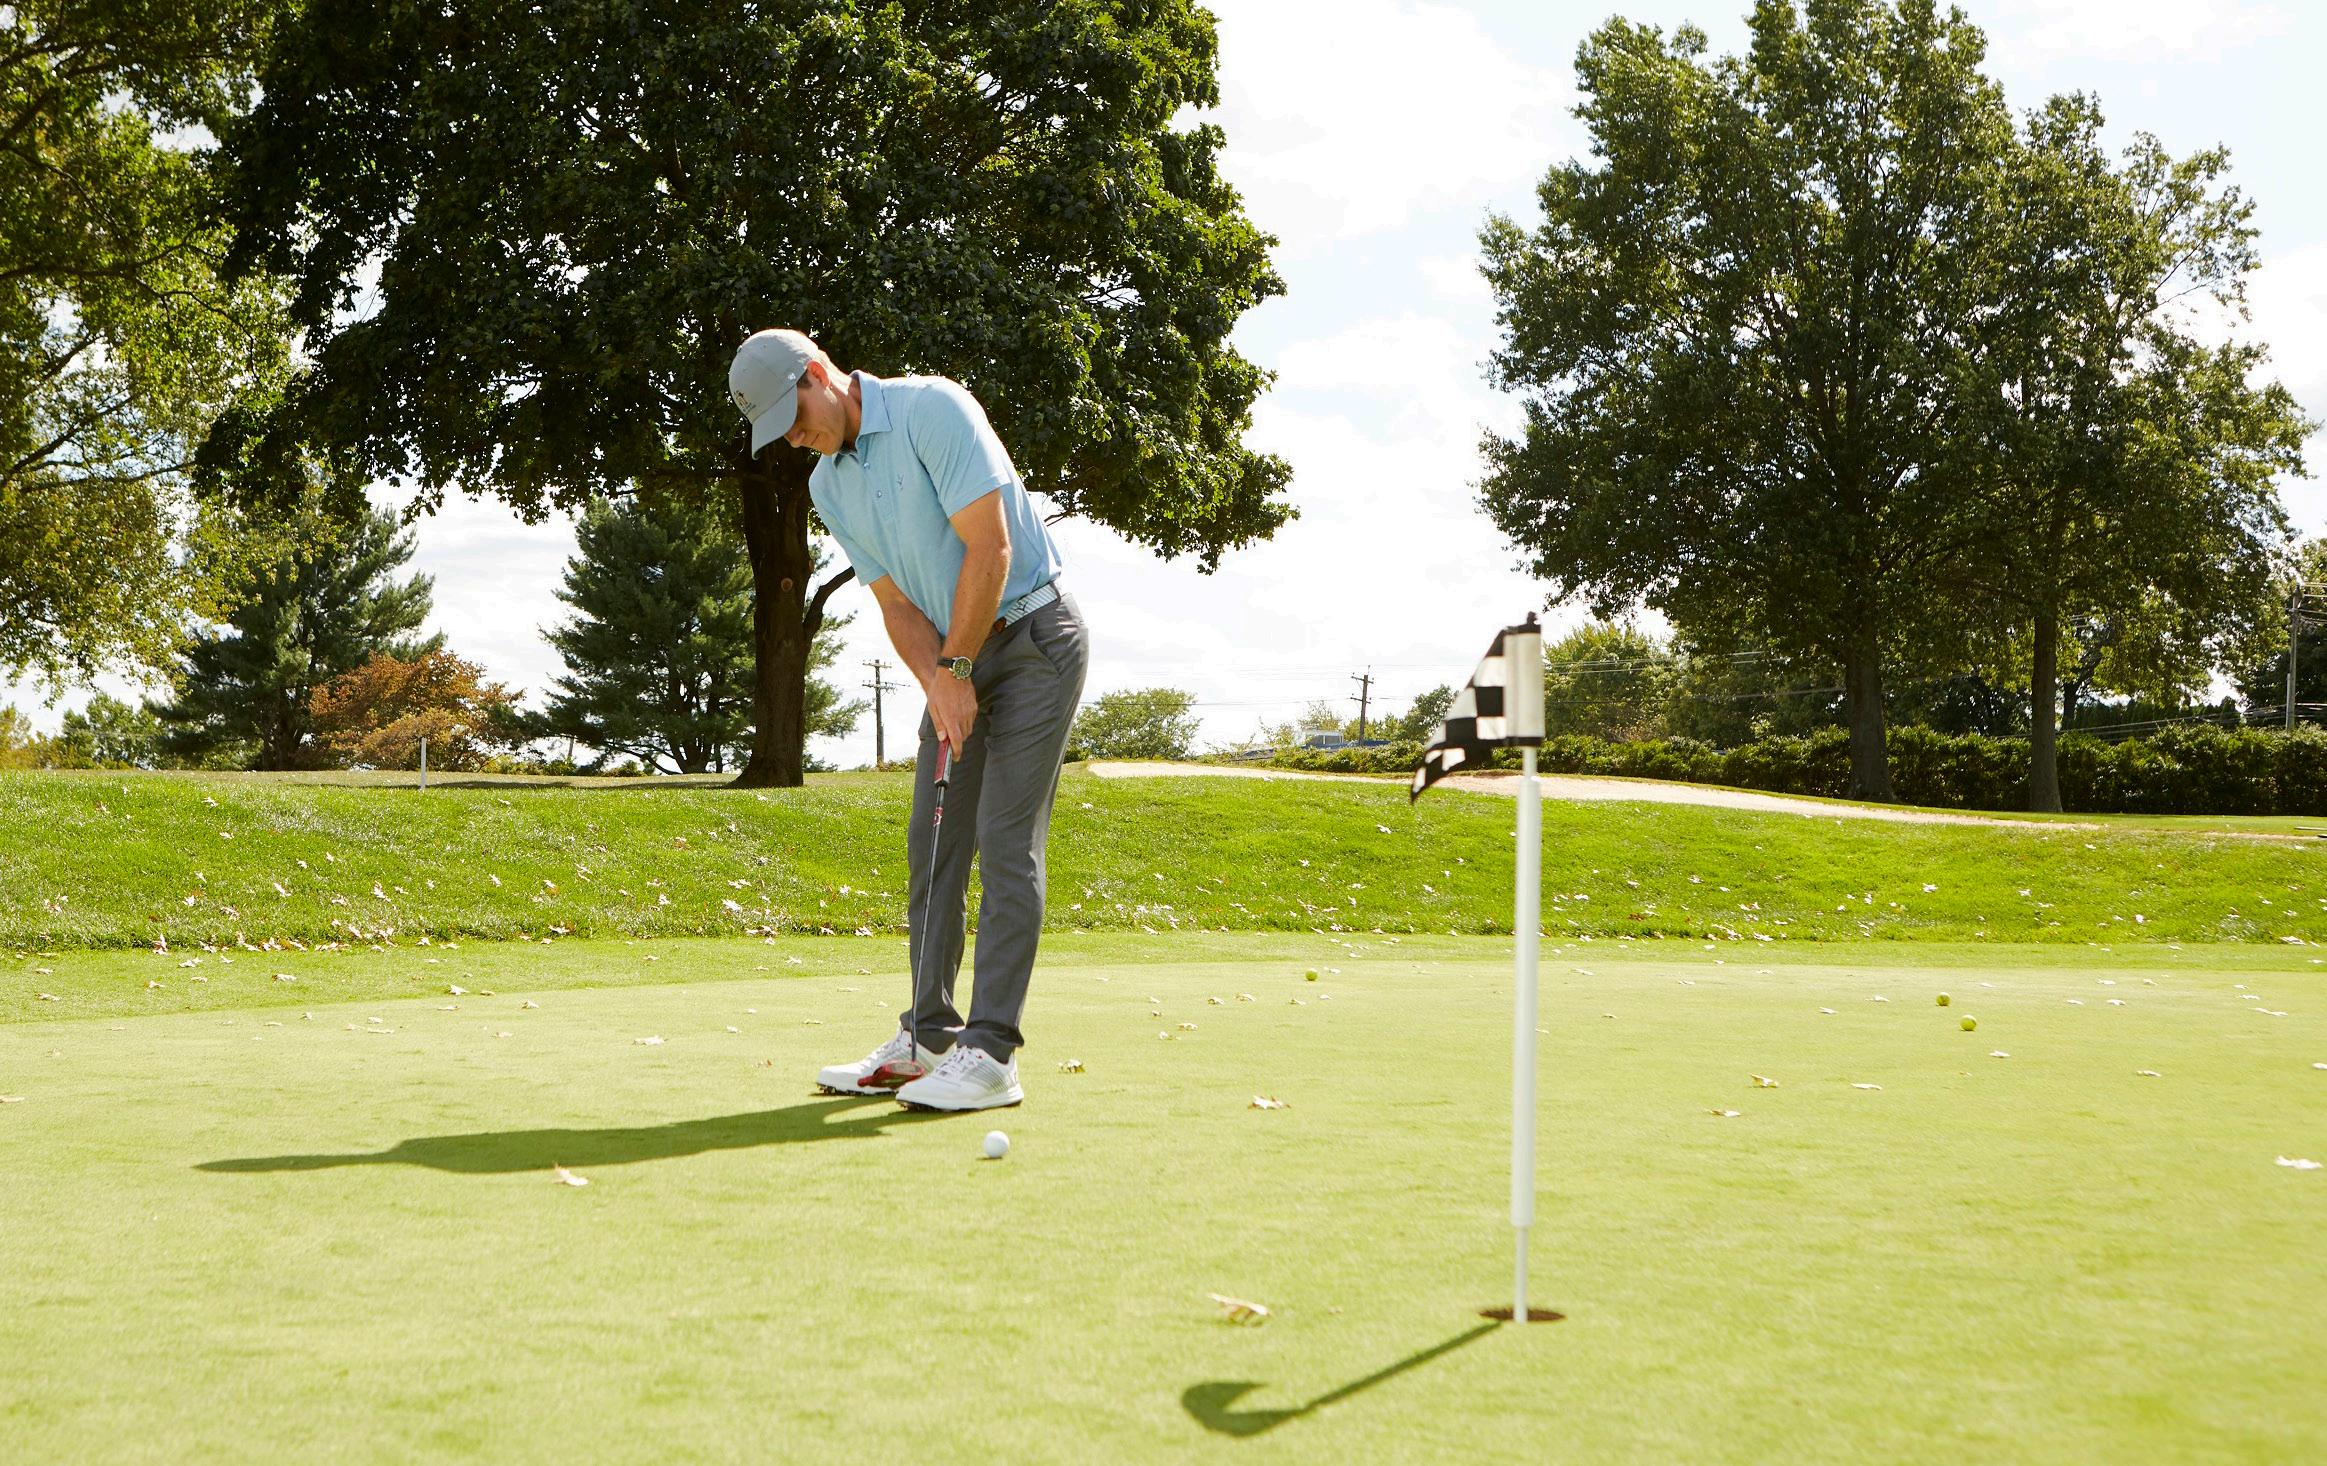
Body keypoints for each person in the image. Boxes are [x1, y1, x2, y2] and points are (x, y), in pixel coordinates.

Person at [729, 328, 1089, 1112]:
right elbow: (895, 603)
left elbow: (990, 550)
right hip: (955, 655)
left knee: (1004, 842)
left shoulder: (932, 409)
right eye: (778, 434)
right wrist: (939, 681)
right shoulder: (829, 486)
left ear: (818, 374)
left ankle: (990, 1055)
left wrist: (955, 671)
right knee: (933, 845)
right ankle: (928, 1036)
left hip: (1033, 639)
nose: (793, 439)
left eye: (793, 417)